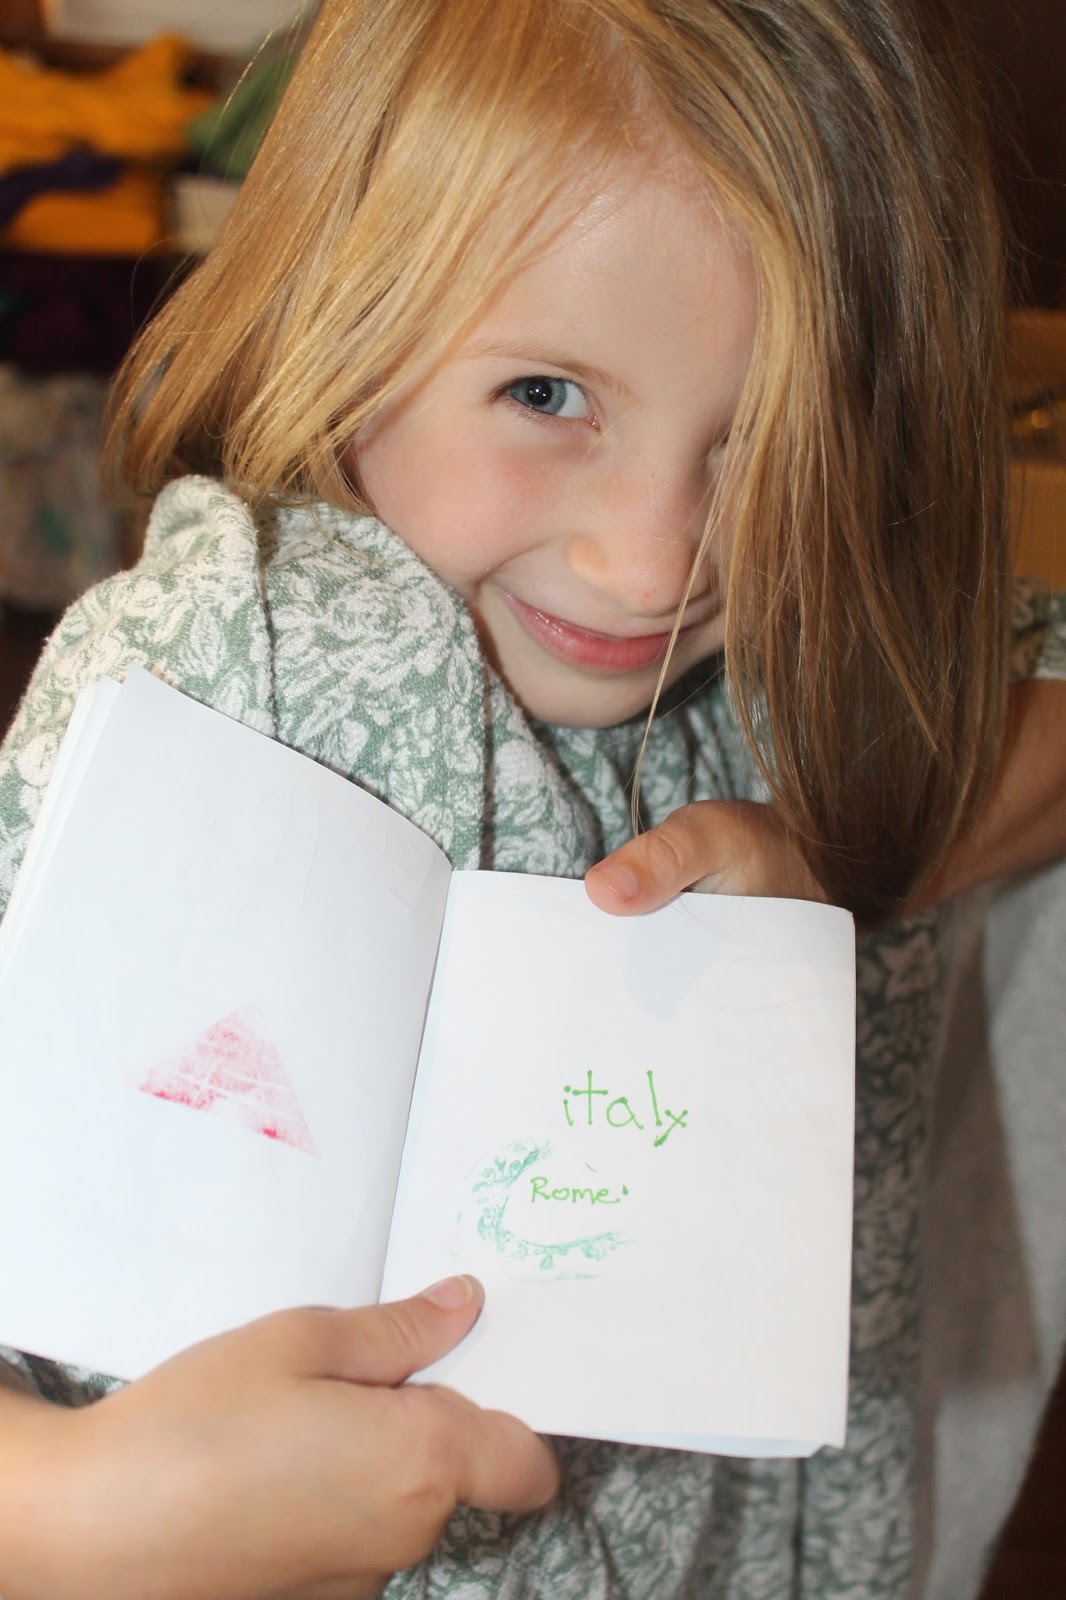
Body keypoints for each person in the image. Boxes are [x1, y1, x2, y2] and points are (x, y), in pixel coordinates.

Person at [0, 0, 1063, 1596]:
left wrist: (845, 849)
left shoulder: (806, 635)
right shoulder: (219, 671)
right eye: (547, 396)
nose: (651, 563)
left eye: (766, 438)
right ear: (340, 314)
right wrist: (65, 1512)